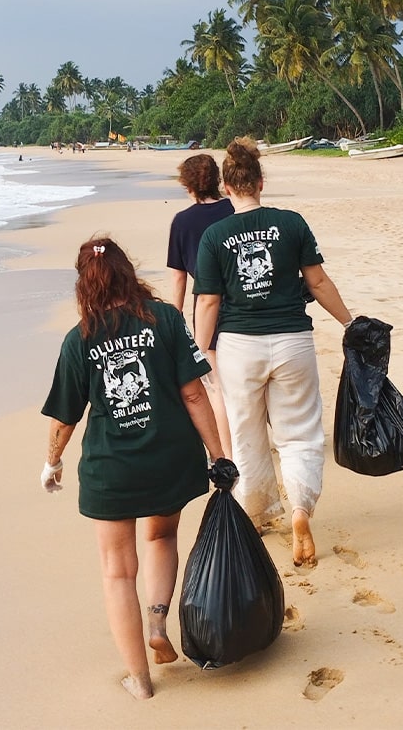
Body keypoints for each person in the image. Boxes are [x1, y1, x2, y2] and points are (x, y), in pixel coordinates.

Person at [40, 236, 230, 700]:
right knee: (163, 536)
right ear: (130, 272)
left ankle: (140, 681)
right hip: (170, 459)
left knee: (117, 572)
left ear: (85, 284)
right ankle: (158, 622)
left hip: (112, 471)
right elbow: (193, 393)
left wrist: (52, 462)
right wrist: (219, 454)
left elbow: (66, 416)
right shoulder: (166, 319)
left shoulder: (79, 338)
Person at [193, 137, 353, 568]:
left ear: (226, 188)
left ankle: (257, 513)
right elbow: (317, 283)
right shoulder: (292, 223)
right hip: (291, 342)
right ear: (261, 182)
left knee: (246, 435)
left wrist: (200, 352)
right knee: (300, 433)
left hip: (238, 346)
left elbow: (207, 301)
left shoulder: (214, 235)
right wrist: (350, 322)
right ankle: (300, 511)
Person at [167, 153, 235, 458]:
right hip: (242, 296)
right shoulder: (235, 208)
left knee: (217, 385)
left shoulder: (182, 221)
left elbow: (179, 278)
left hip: (207, 304)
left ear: (188, 184)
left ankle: (228, 452)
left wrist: (174, 316)